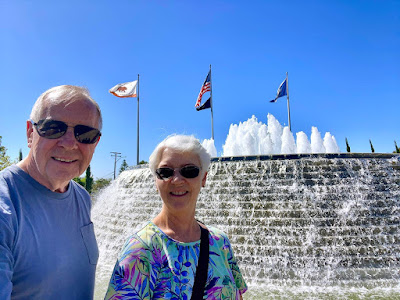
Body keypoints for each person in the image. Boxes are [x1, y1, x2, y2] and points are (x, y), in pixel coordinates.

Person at [105, 134, 247, 299]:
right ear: (155, 181)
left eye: (189, 171)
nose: (177, 180)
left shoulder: (220, 242)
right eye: (166, 172)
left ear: (204, 178)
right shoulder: (141, 249)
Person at [0, 85, 102, 299]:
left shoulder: (81, 197)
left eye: (85, 134)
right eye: (53, 128)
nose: (69, 143)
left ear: (96, 142)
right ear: (30, 133)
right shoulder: (5, 206)